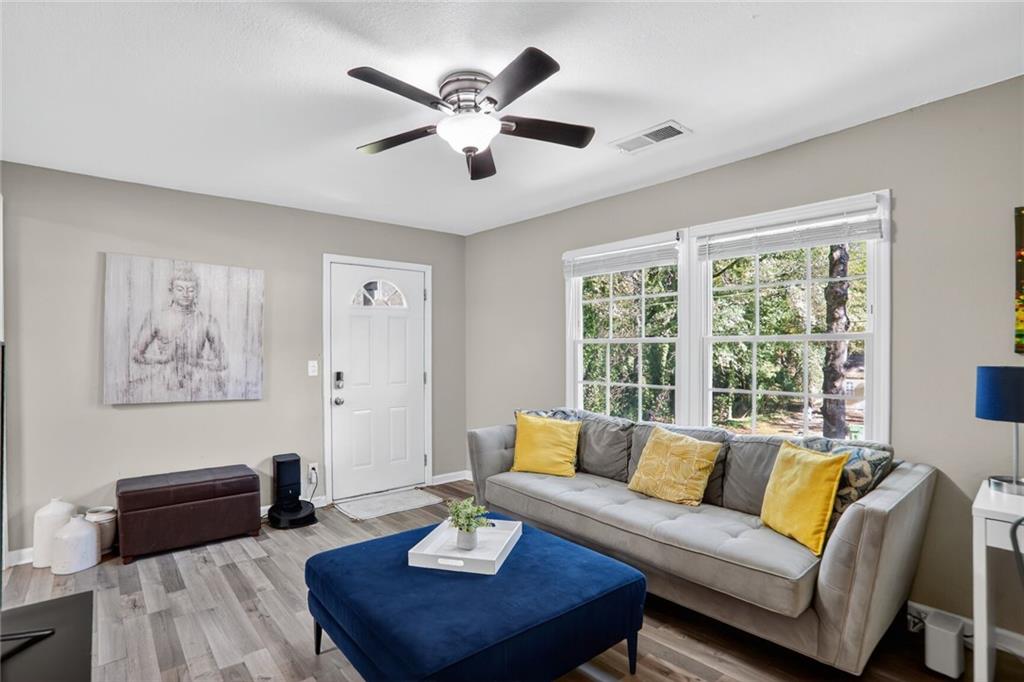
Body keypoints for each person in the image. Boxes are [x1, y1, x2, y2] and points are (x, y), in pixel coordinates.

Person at [131, 267, 226, 398]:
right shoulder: (157, 317)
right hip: (164, 382)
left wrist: (198, 362)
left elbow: (223, 362)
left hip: (197, 383)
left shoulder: (207, 320)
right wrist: (162, 359)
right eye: (180, 289)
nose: (186, 294)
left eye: (191, 290)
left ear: (196, 292)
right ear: (171, 291)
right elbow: (136, 353)